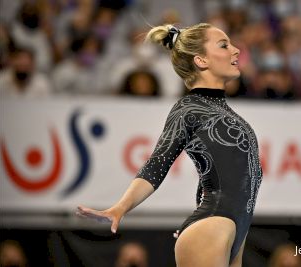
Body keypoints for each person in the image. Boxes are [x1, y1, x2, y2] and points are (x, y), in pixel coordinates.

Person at [76, 23, 263, 267]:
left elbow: (223, 176)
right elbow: (158, 162)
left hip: (233, 230)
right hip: (212, 227)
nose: (236, 50)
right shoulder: (188, 109)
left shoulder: (229, 115)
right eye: (224, 45)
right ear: (201, 60)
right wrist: (120, 207)